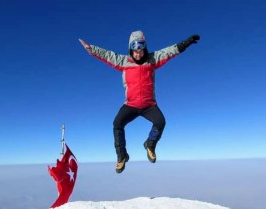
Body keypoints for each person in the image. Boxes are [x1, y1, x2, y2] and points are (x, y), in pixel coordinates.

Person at [79, 31, 200, 173]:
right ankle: (122, 156)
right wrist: (91, 49)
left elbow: (169, 52)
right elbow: (107, 55)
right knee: (117, 124)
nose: (138, 54)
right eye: (135, 51)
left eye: (141, 51)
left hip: (149, 105)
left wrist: (186, 43)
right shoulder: (124, 62)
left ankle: (150, 144)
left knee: (160, 122)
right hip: (131, 105)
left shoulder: (152, 60)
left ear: (145, 49)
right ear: (131, 50)